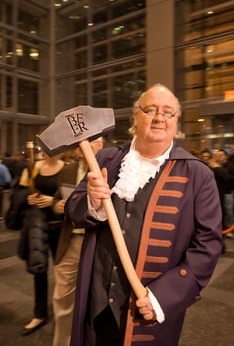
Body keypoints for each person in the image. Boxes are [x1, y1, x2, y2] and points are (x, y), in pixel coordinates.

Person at [65, 84, 223, 346]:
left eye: (168, 112)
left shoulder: (198, 175)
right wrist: (91, 201)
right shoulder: (106, 158)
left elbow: (208, 245)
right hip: (97, 301)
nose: (159, 117)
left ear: (176, 122)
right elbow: (73, 210)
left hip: (146, 307)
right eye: (150, 109)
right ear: (135, 117)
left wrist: (164, 297)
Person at [52, 137, 104, 346]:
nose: (88, 145)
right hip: (71, 240)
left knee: (97, 298)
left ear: (101, 144)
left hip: (99, 241)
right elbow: (58, 199)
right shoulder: (67, 170)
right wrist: (58, 205)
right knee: (63, 297)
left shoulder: (113, 168)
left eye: (94, 141)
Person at [20, 152, 65, 335]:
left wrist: (52, 202)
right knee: (39, 270)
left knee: (63, 272)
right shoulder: (34, 167)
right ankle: (39, 314)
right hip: (37, 226)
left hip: (60, 226)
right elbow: (22, 193)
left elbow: (72, 197)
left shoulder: (67, 168)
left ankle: (64, 312)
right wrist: (28, 199)